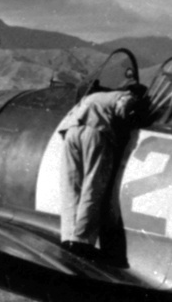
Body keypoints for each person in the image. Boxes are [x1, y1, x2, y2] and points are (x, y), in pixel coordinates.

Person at [56, 83, 147, 262]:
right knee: (92, 185)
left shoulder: (94, 97)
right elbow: (124, 111)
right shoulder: (126, 95)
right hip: (95, 133)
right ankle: (82, 240)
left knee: (71, 186)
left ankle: (68, 237)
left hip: (70, 133)